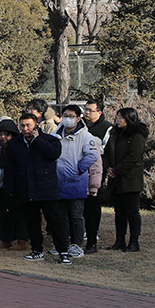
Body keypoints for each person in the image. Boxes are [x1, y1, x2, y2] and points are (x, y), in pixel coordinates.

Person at [5, 113, 68, 263]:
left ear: (36, 125)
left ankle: (63, 251)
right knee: (32, 222)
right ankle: (37, 250)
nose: (25, 129)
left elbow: (54, 153)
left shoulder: (49, 140)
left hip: (47, 188)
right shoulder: (15, 144)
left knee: (56, 221)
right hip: (26, 188)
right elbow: (10, 168)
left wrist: (37, 140)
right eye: (22, 126)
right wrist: (10, 190)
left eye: (29, 125)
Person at [52, 105, 101, 260]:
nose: (68, 118)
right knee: (60, 216)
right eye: (65, 115)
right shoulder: (56, 135)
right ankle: (62, 243)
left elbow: (93, 155)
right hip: (58, 181)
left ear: (78, 118)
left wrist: (79, 168)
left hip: (76, 181)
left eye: (71, 116)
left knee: (76, 215)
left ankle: (76, 244)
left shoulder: (86, 136)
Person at [106, 107, 148, 253]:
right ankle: (120, 240)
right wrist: (109, 168)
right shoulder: (115, 134)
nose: (118, 119)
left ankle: (134, 241)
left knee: (132, 211)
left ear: (129, 118)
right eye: (117, 116)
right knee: (119, 212)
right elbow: (107, 153)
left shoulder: (137, 136)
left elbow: (134, 157)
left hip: (130, 179)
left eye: (121, 117)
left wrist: (117, 170)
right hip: (115, 179)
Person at [0, 118, 28, 251]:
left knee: (19, 215)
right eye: (0, 134)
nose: (3, 137)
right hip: (0, 187)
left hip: (16, 188)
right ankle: (6, 240)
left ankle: (22, 241)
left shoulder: (18, 149)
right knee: (3, 215)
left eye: (6, 134)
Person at [81, 100, 114, 254]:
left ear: (99, 112)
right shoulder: (80, 124)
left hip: (96, 168)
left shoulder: (107, 128)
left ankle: (92, 231)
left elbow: (107, 150)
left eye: (90, 110)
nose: (87, 113)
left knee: (93, 201)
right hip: (79, 168)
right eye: (85, 109)